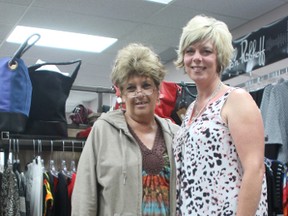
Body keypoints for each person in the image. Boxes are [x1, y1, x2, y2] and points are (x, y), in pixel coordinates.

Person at [173, 15, 268, 215]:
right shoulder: (191, 109)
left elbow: (255, 169)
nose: (196, 58)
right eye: (190, 51)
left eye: (206, 51)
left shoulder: (236, 100)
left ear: (219, 57)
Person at [71, 43, 179, 215]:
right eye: (131, 88)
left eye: (146, 85)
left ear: (157, 90)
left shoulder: (175, 134)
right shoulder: (103, 131)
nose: (139, 94)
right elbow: (85, 196)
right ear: (121, 93)